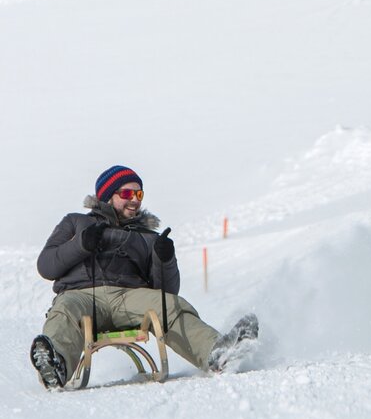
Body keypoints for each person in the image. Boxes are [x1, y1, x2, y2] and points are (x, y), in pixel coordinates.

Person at [30, 165, 258, 389]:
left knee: (169, 305)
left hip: (128, 297)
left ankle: (217, 353)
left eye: (139, 194)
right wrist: (81, 244)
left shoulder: (146, 236)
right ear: (108, 196)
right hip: (80, 295)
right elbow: (47, 266)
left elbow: (165, 293)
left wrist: (164, 259)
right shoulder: (76, 222)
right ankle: (55, 365)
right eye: (127, 193)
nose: (135, 200)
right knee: (65, 310)